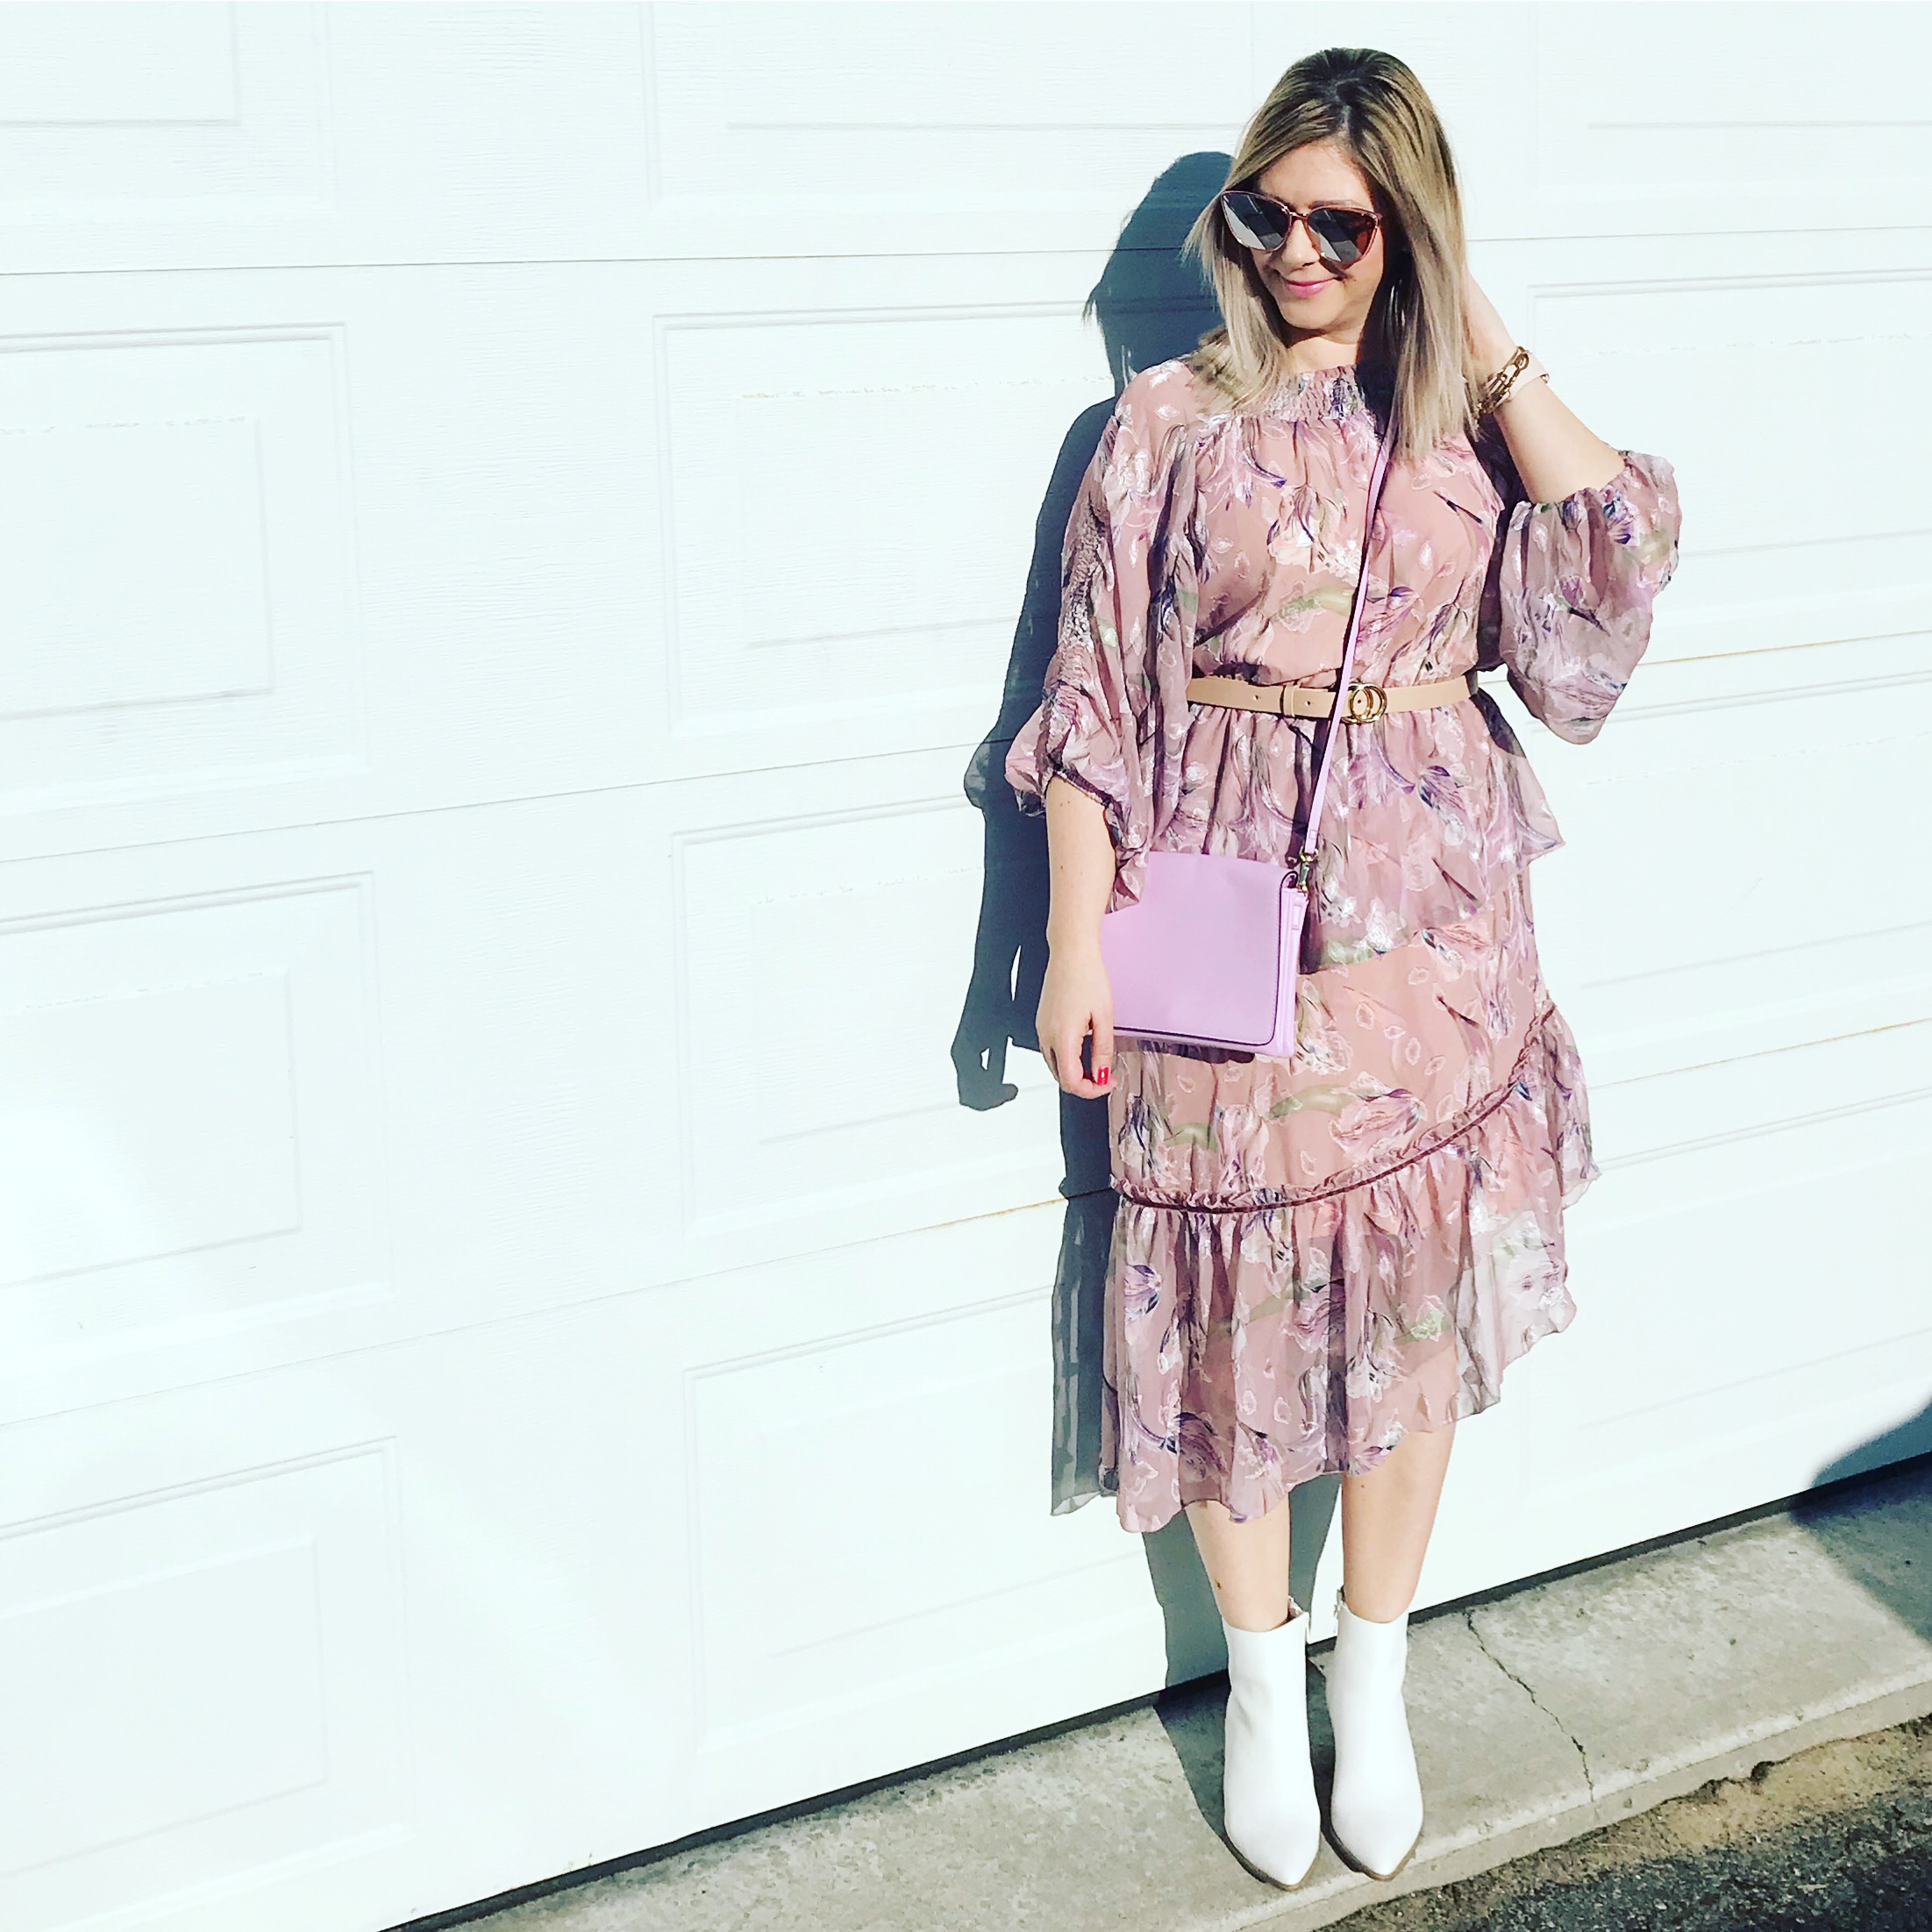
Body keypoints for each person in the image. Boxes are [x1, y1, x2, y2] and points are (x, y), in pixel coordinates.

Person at [1002, 46, 1682, 1892]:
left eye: (1343, 224)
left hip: (1432, 926)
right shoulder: (1162, 422)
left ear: (1410, 232)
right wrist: (1071, 939)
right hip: (1214, 900)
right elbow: (1091, 697)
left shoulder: (1458, 423)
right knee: (1221, 1300)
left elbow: (1612, 580)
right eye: (1267, 213)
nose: (1294, 251)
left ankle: (1371, 1685)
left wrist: (1473, 328)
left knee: (1405, 1308)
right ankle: (1257, 1682)